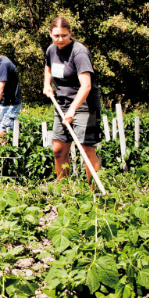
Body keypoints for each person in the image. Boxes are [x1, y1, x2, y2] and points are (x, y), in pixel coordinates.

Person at [43, 16, 102, 181]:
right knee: (58, 149)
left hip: (84, 107)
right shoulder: (51, 50)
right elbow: (48, 67)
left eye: (64, 35)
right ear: (50, 34)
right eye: (56, 36)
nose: (60, 39)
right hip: (61, 105)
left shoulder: (79, 52)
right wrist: (47, 84)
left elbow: (86, 86)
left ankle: (94, 192)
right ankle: (64, 188)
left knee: (86, 151)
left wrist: (72, 110)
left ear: (70, 33)